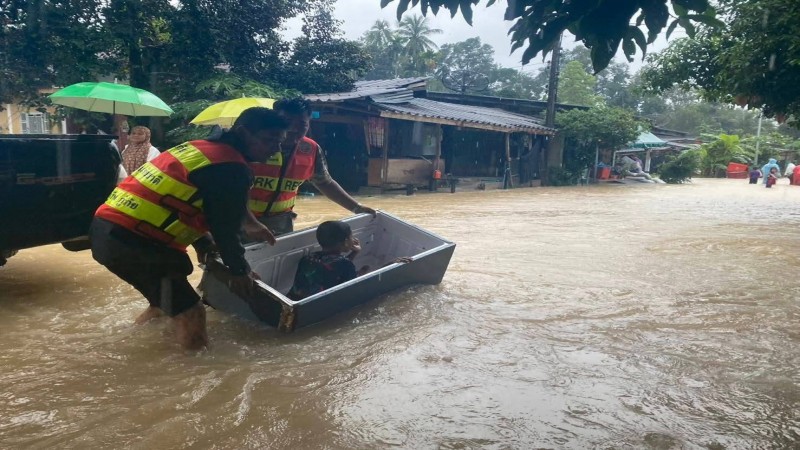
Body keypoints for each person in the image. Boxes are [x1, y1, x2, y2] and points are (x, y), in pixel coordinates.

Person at [90, 107, 288, 350]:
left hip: (108, 231)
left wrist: (204, 243)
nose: (275, 150)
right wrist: (239, 271)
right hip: (133, 241)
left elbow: (182, 203)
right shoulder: (232, 167)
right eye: (269, 141)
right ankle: (193, 372)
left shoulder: (199, 148)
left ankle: (131, 341)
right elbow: (225, 227)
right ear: (243, 132)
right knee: (192, 312)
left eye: (280, 142)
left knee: (163, 303)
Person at [245, 97, 376, 243]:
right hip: (241, 218)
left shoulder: (310, 149)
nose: (294, 129)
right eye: (288, 122)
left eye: (301, 124)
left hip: (281, 222)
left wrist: (357, 208)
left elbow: (325, 182)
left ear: (309, 124)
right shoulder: (255, 144)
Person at [286, 220, 411, 300]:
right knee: (366, 269)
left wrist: (354, 252)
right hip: (318, 305)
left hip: (295, 298)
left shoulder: (308, 258)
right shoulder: (345, 264)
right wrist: (389, 265)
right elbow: (356, 286)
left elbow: (332, 266)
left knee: (363, 269)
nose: (353, 239)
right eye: (351, 237)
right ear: (346, 242)